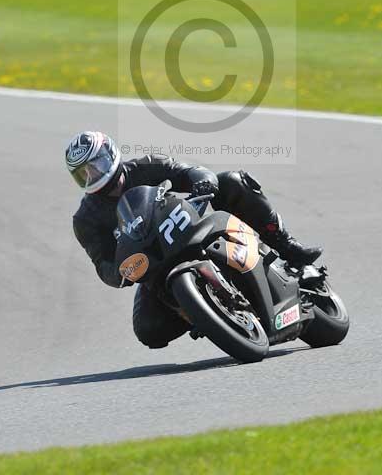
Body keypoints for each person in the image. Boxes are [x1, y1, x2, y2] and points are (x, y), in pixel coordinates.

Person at [67, 131, 322, 349]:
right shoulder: (85, 220)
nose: (92, 176)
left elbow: (190, 172)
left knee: (231, 182)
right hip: (155, 268)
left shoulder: (146, 166)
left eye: (96, 166)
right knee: (149, 331)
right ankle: (204, 313)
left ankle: (286, 245)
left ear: (110, 154)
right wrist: (122, 272)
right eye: (84, 174)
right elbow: (103, 265)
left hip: (191, 228)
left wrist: (202, 183)